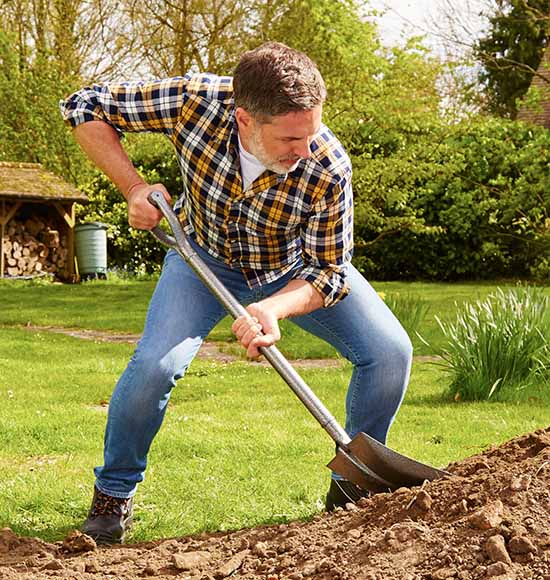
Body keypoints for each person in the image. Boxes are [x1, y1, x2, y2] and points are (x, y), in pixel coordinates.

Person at [60, 41, 412, 545]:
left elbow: (330, 272)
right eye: (291, 138)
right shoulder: (195, 102)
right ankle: (113, 497)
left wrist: (271, 308)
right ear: (245, 119)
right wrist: (133, 186)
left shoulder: (328, 167)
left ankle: (351, 492)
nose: (306, 149)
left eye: (311, 133)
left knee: (389, 351)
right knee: (154, 368)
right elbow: (83, 107)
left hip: (290, 272)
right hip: (200, 263)